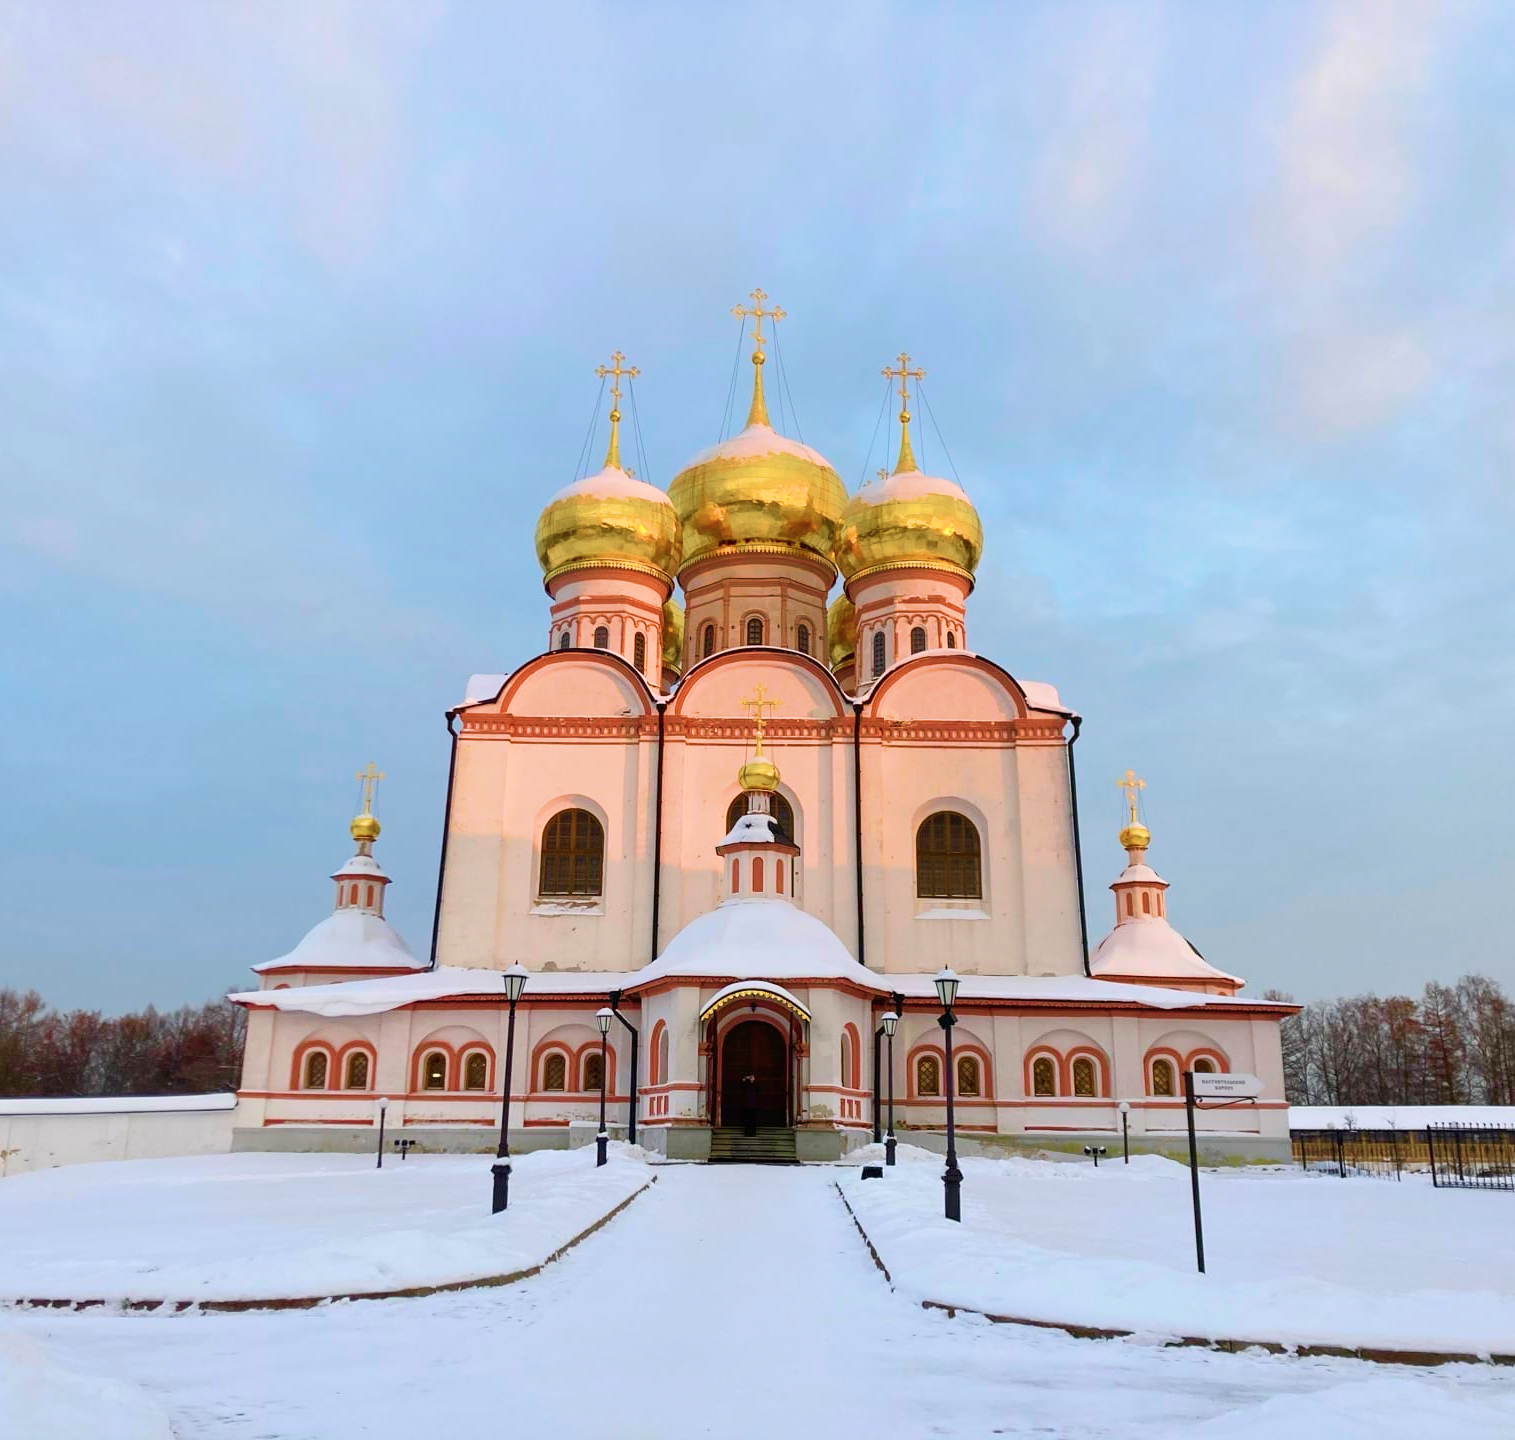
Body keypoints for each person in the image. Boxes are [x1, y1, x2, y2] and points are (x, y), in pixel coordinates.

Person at [740, 1072, 758, 1137]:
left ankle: (753, 1132)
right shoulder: (746, 1085)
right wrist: (745, 1078)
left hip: (754, 1106)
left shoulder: (756, 1085)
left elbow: (758, 1088)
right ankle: (747, 1132)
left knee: (753, 1120)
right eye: (750, 1077)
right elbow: (741, 1086)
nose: (751, 1078)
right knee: (747, 1120)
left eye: (752, 1077)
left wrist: (753, 1081)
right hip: (747, 1106)